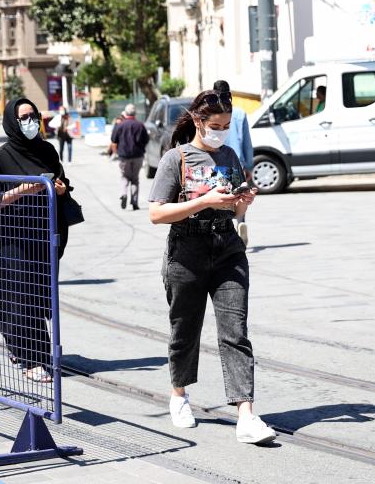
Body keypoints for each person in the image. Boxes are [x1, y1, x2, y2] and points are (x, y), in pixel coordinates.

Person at [147, 89, 276, 445]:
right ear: (198, 121)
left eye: (226, 126)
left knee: (236, 332)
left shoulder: (230, 156)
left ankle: (246, 415)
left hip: (227, 250)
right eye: (215, 126)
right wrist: (203, 201)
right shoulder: (176, 158)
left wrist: (243, 202)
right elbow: (156, 213)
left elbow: (235, 210)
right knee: (185, 330)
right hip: (186, 252)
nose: (221, 132)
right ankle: (179, 395)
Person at [0, 98, 74, 383]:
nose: (30, 121)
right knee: (18, 297)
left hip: (42, 235)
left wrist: (60, 189)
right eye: (23, 117)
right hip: (11, 241)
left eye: (33, 115)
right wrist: (21, 191)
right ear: (12, 121)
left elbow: (63, 181)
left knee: (38, 296)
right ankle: (31, 359)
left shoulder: (47, 150)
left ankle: (30, 349)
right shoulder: (0, 157)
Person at [213, 80, 254, 244]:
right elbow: (247, 143)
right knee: (240, 195)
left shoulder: (212, 114)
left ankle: (223, 231)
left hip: (216, 162)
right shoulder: (239, 113)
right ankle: (241, 221)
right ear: (230, 95)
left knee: (221, 196)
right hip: (237, 163)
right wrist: (249, 166)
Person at [108, 104, 149, 210]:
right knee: (135, 179)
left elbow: (113, 139)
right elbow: (146, 140)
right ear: (135, 113)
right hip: (138, 156)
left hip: (124, 156)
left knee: (124, 176)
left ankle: (124, 194)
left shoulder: (120, 125)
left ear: (125, 113)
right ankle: (134, 202)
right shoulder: (140, 125)